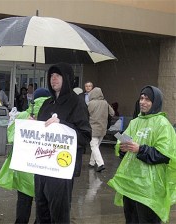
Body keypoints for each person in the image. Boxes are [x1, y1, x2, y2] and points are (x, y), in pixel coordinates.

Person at [108, 85, 176, 223]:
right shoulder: (135, 122)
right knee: (131, 220)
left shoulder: (163, 124)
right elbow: (123, 151)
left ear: (155, 102)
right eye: (141, 98)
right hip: (130, 184)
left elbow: (164, 155)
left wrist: (140, 149)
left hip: (149, 187)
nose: (142, 102)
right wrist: (123, 148)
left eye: (147, 99)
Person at [35, 62, 92, 223]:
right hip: (42, 165)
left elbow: (85, 136)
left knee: (58, 210)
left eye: (58, 75)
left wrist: (62, 124)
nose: (53, 79)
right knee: (41, 208)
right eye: (51, 76)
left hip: (61, 167)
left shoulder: (77, 103)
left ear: (67, 78)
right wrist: (33, 124)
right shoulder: (47, 103)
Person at [5, 88, 51, 224]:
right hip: (45, 169)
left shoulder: (23, 116)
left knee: (24, 201)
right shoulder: (54, 119)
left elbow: (11, 138)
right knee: (42, 204)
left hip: (24, 168)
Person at [87, 87, 115, 172]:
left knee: (94, 146)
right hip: (103, 129)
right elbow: (112, 113)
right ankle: (92, 162)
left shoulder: (90, 103)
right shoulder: (105, 103)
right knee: (96, 146)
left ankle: (100, 164)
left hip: (93, 129)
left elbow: (85, 114)